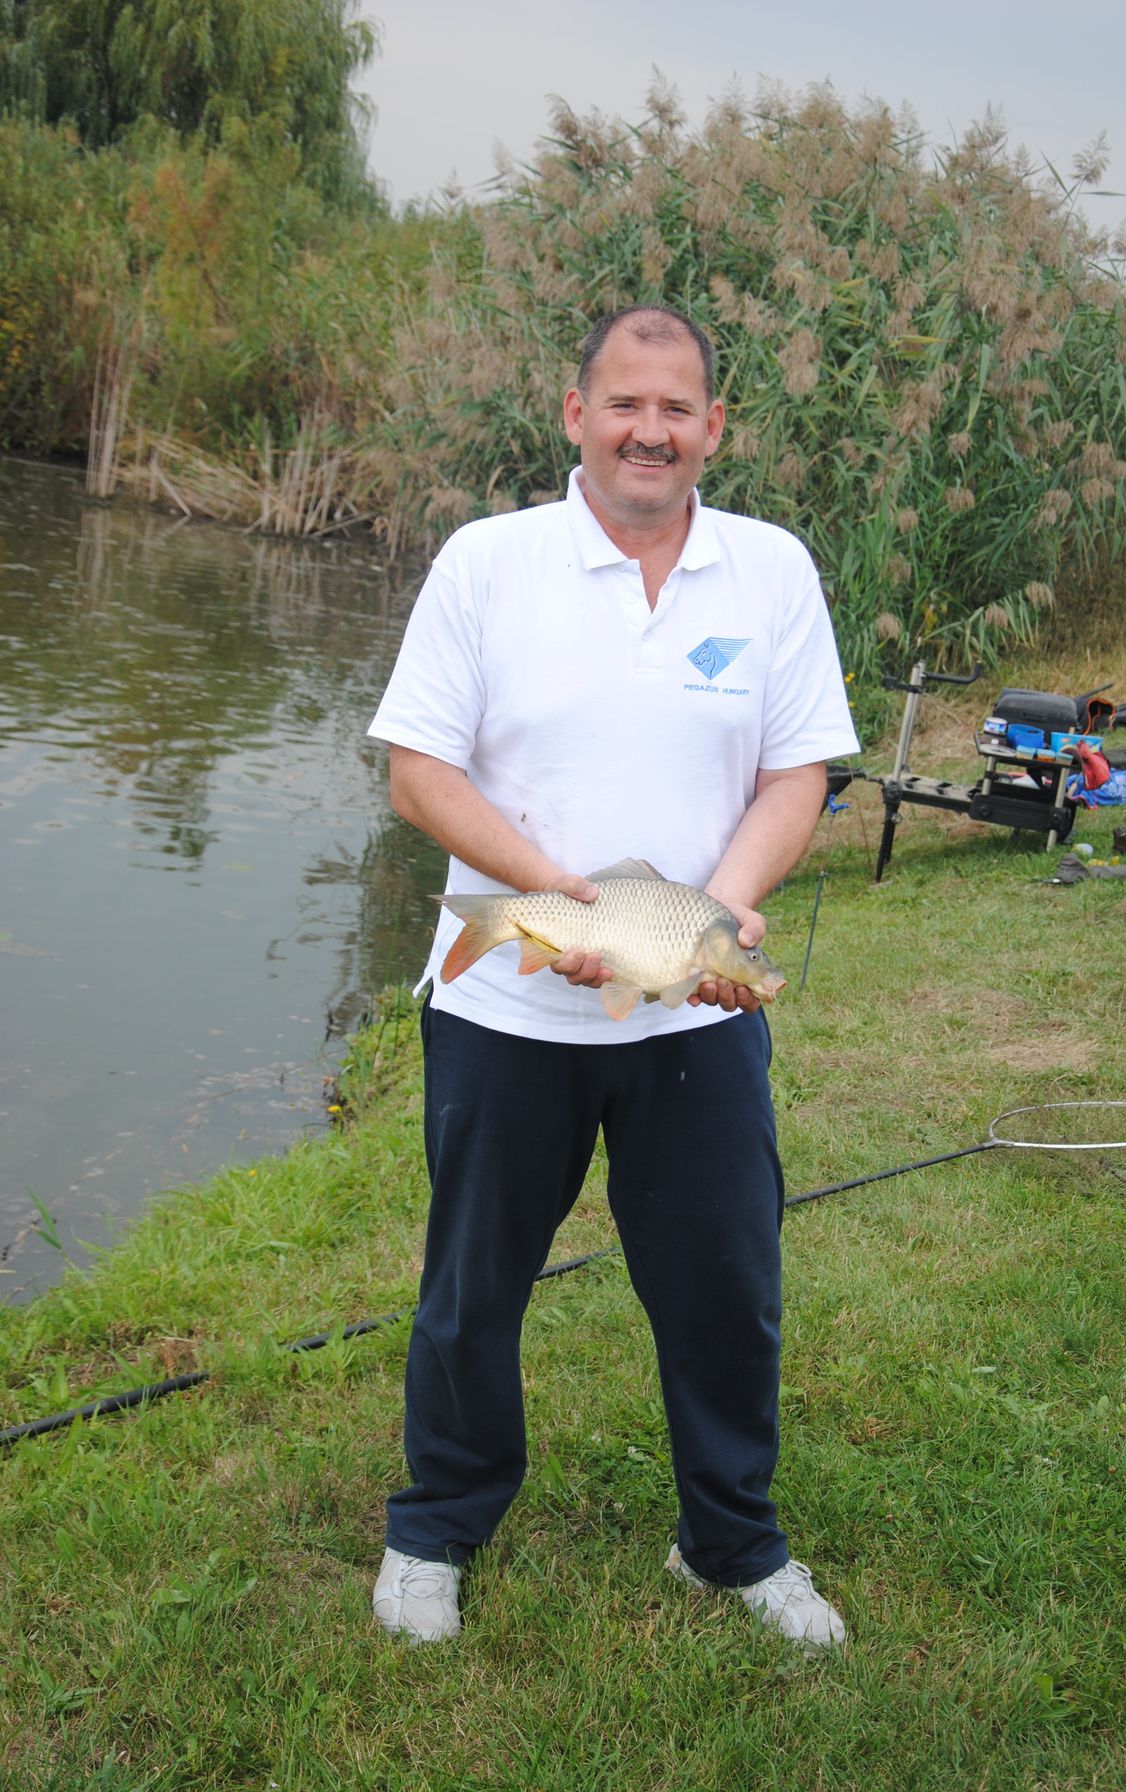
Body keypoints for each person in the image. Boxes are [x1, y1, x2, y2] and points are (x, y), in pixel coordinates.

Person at [365, 305, 859, 1649]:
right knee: (472, 1290)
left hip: (691, 1007)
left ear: (714, 428)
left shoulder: (771, 571)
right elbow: (418, 771)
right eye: (627, 404)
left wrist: (729, 910)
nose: (652, 431)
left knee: (728, 1292)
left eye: (678, 408)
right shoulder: (490, 562)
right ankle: (435, 1528)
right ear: (577, 414)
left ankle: (732, 1545)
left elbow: (798, 772)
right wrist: (556, 898)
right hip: (506, 1010)